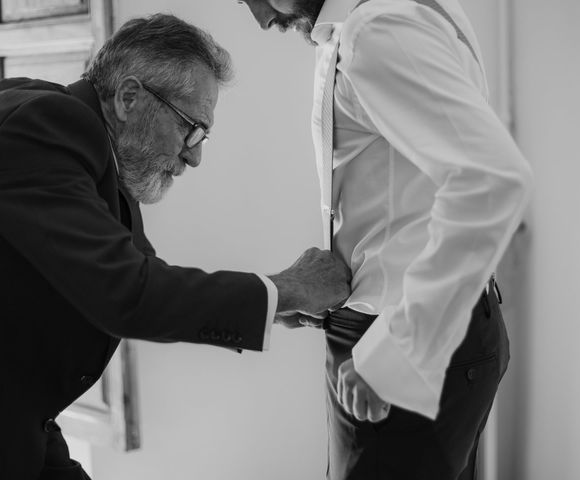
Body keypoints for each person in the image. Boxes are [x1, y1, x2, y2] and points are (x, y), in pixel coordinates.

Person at [0, 14, 351, 480]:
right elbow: (129, 294)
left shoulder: (98, 151)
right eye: (191, 128)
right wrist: (284, 289)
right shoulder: (52, 124)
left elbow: (147, 276)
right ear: (129, 98)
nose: (195, 155)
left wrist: (271, 304)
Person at [240, 0, 534, 478]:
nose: (261, 17)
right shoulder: (381, 17)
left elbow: (493, 180)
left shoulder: (376, 31)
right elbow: (411, 192)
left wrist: (399, 353)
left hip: (402, 342)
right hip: (417, 329)